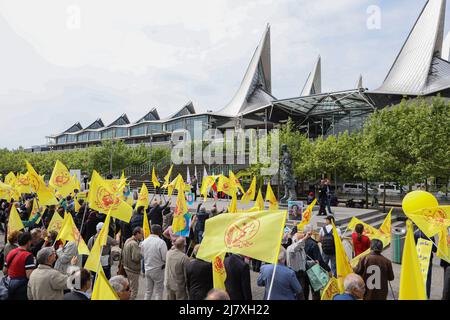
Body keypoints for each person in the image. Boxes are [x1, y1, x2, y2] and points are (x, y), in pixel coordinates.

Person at [3, 232, 37, 300]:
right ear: (28, 242)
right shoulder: (28, 255)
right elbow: (29, 275)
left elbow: (4, 270)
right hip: (21, 287)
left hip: (9, 284)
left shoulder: (11, 252)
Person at [303, 224, 331, 300]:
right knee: (315, 292)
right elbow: (319, 260)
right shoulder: (313, 244)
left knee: (305, 292)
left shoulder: (300, 242)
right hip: (313, 270)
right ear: (311, 232)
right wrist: (328, 269)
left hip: (302, 270)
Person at [141, 224, 167, 300]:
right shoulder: (161, 242)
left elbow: (142, 254)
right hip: (158, 269)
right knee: (158, 292)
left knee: (148, 291)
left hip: (147, 268)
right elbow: (165, 257)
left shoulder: (144, 242)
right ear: (159, 231)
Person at [122, 227, 143, 300]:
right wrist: (141, 253)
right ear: (137, 233)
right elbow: (136, 258)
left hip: (127, 267)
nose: (142, 235)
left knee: (130, 288)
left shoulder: (128, 240)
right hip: (133, 269)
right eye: (141, 234)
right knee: (134, 290)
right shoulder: (134, 244)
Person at [414, 229, 437, 298]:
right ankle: (427, 295)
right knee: (428, 279)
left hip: (419, 259)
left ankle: (418, 293)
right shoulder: (431, 236)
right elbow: (434, 249)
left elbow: (414, 246)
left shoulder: (416, 234)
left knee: (418, 277)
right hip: (428, 260)